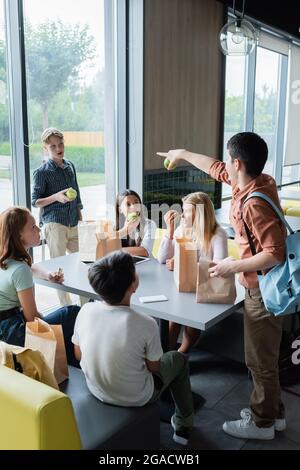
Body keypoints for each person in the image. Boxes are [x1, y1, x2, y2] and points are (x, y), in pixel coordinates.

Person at [157, 132, 287, 440]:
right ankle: (274, 413)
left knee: (259, 360)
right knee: (264, 357)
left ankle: (262, 423)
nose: (225, 166)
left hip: (262, 289)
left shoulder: (253, 203)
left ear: (238, 163)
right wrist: (183, 151)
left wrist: (232, 266)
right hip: (260, 285)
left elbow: (275, 252)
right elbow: (215, 167)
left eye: (229, 160)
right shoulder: (258, 181)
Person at [72, 250, 194, 446]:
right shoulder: (145, 323)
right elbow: (154, 368)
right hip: (138, 396)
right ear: (133, 286)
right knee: (178, 359)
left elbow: (78, 354)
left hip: (96, 388)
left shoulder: (86, 310)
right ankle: (183, 424)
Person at [0, 207, 79, 366]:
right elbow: (32, 318)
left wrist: (48, 275)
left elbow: (31, 267)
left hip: (3, 329)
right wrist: (50, 327)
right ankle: (72, 367)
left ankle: (65, 368)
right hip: (13, 333)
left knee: (64, 320)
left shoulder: (8, 260)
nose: (38, 229)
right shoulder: (20, 270)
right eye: (33, 227)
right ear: (19, 234)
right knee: (72, 313)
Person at [157, 191, 228, 353]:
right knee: (173, 316)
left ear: (201, 213)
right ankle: (166, 358)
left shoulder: (218, 235)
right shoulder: (183, 229)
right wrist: (169, 231)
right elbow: (162, 258)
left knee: (188, 315)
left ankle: (182, 353)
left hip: (205, 287)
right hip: (182, 285)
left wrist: (184, 264)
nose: (183, 214)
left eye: (187, 210)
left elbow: (218, 267)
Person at [31, 127, 85, 307]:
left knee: (83, 264)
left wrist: (81, 219)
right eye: (53, 146)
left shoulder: (70, 166)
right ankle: (67, 308)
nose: (58, 148)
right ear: (46, 148)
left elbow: (77, 194)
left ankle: (86, 305)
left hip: (73, 222)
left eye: (60, 144)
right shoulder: (42, 172)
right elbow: (35, 201)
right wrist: (56, 197)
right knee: (58, 270)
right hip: (54, 224)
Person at [115, 189, 156, 257]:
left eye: (136, 202)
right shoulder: (116, 226)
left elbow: (144, 251)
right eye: (128, 204)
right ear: (120, 210)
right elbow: (105, 246)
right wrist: (124, 230)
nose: (133, 207)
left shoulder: (149, 224)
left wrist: (115, 250)